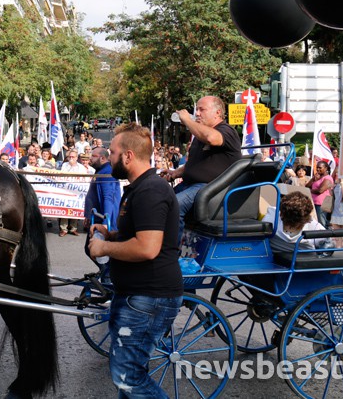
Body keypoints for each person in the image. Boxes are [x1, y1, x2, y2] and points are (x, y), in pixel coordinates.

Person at [88, 124, 183, 398]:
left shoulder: (150, 191)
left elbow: (147, 248)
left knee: (128, 377)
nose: (109, 157)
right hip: (137, 295)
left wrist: (103, 247)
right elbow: (141, 234)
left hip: (147, 299)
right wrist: (112, 233)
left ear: (128, 156)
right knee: (128, 377)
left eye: (113, 152)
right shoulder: (140, 188)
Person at [160, 96, 241, 243]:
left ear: (217, 113)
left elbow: (211, 138)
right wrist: (175, 173)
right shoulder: (200, 135)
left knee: (174, 206)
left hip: (211, 188)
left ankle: (169, 255)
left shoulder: (226, 131)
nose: (197, 113)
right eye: (196, 110)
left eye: (201, 109)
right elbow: (197, 164)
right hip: (191, 185)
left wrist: (187, 120)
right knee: (158, 202)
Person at [262, 191, 327, 253]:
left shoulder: (271, 217)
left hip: (274, 254)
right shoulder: (315, 228)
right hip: (303, 259)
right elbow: (328, 247)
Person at [58, 150, 88, 236]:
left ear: (77, 158)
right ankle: (64, 228)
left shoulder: (81, 167)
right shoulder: (64, 165)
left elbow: (84, 178)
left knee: (75, 208)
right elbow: (62, 176)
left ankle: (73, 228)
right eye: (69, 157)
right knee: (65, 208)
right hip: (66, 191)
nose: (71, 159)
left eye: (73, 157)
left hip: (76, 191)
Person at [305, 161, 334, 227]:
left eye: (320, 168)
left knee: (322, 222)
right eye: (317, 167)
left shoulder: (328, 178)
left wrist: (309, 190)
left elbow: (320, 190)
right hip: (315, 202)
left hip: (323, 203)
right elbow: (307, 186)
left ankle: (324, 236)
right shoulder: (317, 177)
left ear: (326, 168)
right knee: (314, 221)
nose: (318, 169)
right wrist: (313, 179)